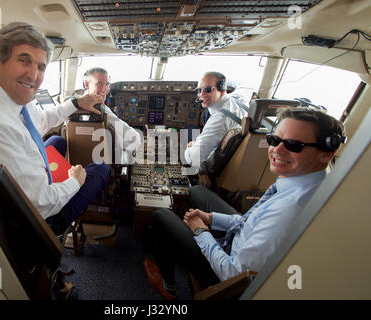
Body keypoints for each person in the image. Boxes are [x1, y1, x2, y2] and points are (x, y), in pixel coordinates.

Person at [144, 106, 346, 299]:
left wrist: (200, 231)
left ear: (327, 153)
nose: (278, 150)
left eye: (294, 145)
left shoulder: (291, 210)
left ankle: (168, 286)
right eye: (274, 139)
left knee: (162, 216)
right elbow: (251, 222)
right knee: (197, 191)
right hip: (242, 240)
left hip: (227, 275)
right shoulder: (300, 183)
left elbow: (232, 275)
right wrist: (212, 218)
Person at [0, 22, 111, 234]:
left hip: (26, 184)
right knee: (101, 168)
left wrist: (76, 103)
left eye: (41, 66)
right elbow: (40, 204)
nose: (33, 75)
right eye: (24, 61)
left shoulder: (14, 98)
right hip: (40, 221)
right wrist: (74, 181)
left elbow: (42, 121)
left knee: (58, 141)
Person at [184, 71, 253, 169]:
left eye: (207, 89)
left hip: (218, 164)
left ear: (222, 89)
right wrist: (223, 82)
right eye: (199, 90)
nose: (202, 94)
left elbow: (194, 159)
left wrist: (190, 146)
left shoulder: (219, 120)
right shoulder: (239, 98)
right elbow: (247, 85)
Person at [82, 67, 142, 157]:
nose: (104, 89)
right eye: (99, 84)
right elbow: (132, 140)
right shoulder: (102, 111)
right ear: (86, 84)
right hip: (99, 160)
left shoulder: (72, 105)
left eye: (107, 84)